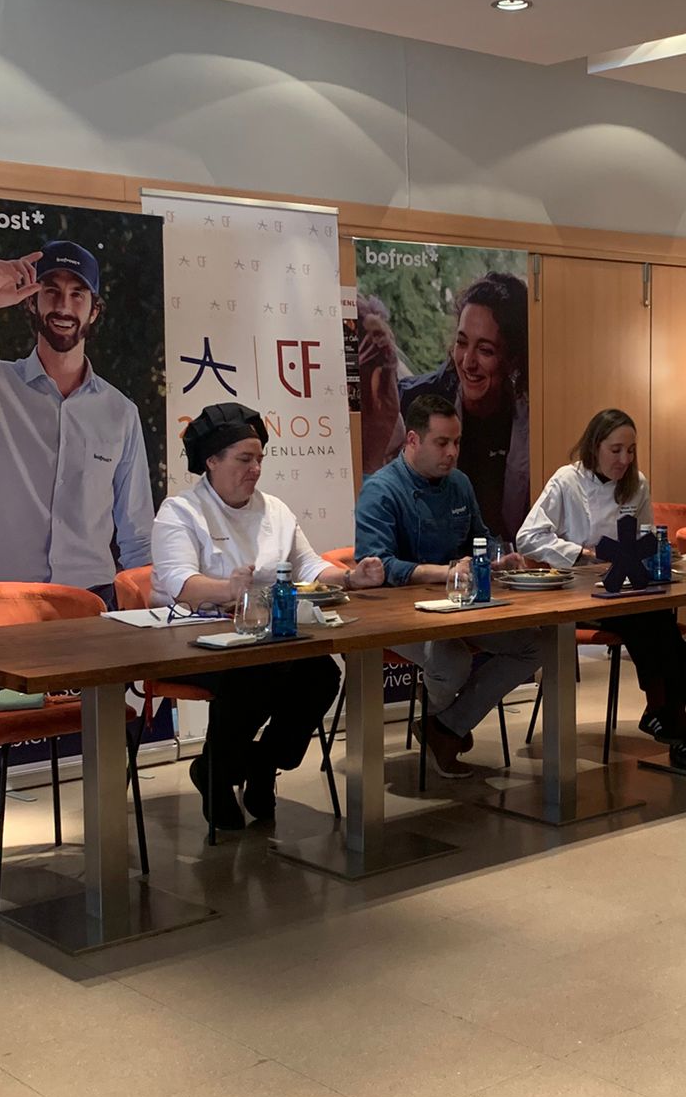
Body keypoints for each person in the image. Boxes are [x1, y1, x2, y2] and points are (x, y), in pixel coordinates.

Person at [151, 402, 384, 831]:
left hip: (264, 636)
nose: (256, 469)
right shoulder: (180, 512)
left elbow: (309, 566)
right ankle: (220, 774)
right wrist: (227, 590)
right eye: (244, 459)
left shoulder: (274, 510)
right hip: (192, 640)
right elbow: (180, 583)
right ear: (212, 461)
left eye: (260, 458)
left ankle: (259, 762)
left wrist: (352, 578)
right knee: (254, 674)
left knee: (320, 675)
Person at [0, 241, 154, 603]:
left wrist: (149, 615)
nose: (63, 306)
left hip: (95, 604)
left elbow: (138, 534)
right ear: (31, 302)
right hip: (6, 603)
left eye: (77, 294)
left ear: (95, 311)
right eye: (51, 291)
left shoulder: (121, 412)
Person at [355, 393, 544, 779]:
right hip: (399, 615)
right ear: (412, 440)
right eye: (442, 443)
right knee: (452, 661)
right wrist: (443, 572)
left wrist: (499, 558)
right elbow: (378, 566)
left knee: (536, 643)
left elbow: (480, 538)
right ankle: (444, 726)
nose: (452, 452)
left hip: (460, 605)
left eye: (457, 442)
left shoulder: (459, 484)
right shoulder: (381, 490)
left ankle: (445, 727)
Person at [517, 408, 686, 770]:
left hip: (624, 590)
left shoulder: (636, 483)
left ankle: (668, 715)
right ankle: (671, 718)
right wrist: (580, 554)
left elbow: (644, 536)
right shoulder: (567, 481)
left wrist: (656, 555)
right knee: (651, 621)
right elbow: (528, 537)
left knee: (658, 619)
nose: (624, 459)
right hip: (577, 594)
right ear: (595, 446)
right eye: (616, 450)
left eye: (631, 450)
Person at [366, 273, 531, 542]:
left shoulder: (534, 420)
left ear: (513, 357)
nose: (467, 362)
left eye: (485, 350)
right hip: (425, 562)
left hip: (502, 560)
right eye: (462, 343)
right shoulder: (410, 402)